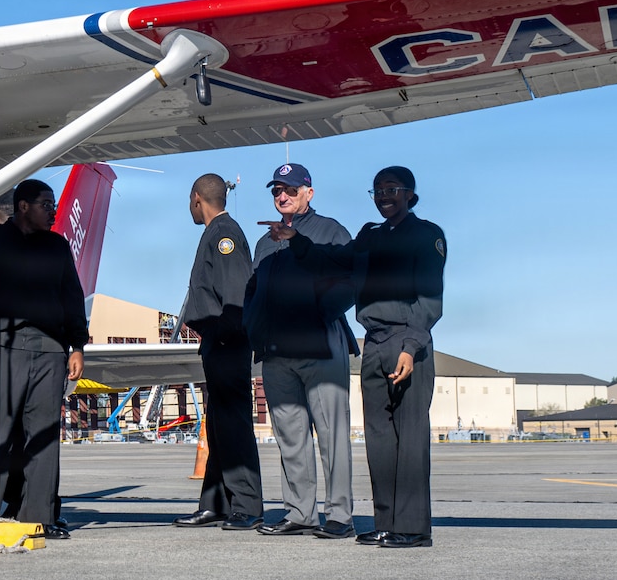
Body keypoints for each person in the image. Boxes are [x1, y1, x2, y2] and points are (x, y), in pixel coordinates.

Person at [272, 165, 446, 549]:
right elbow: (334, 259)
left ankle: (414, 528)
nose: (384, 196)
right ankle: (386, 522)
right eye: (378, 191)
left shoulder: (427, 235)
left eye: (392, 190)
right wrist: (294, 239)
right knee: (380, 439)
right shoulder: (369, 235)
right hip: (374, 343)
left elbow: (431, 300)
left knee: (410, 438)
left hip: (407, 342)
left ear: (410, 195)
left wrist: (411, 347)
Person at [0, 178, 87, 539]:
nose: (53, 211)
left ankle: (40, 516)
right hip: (3, 348)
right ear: (22, 206)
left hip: (50, 352)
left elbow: (72, 297)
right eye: (47, 204)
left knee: (44, 435)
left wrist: (77, 346)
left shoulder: (57, 246)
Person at [246, 163, 357, 539]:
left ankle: (339, 515)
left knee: (332, 435)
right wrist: (254, 332)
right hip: (277, 353)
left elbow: (351, 279)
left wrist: (320, 312)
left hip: (320, 346)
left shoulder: (331, 232)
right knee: (290, 437)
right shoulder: (265, 243)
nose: (282, 196)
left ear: (309, 192)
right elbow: (253, 294)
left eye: (290, 189)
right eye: (277, 189)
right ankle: (299, 513)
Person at [173, 173, 263, 530]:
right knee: (220, 425)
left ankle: (247, 504)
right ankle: (216, 502)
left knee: (235, 425)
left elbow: (237, 295)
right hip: (217, 342)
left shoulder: (224, 234)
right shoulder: (214, 233)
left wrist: (225, 336)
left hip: (228, 342)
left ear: (197, 198)